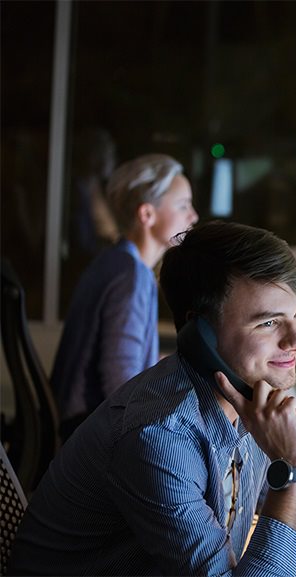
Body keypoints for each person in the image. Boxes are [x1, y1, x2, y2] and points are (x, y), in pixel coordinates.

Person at [9, 221, 296, 577]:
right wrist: (291, 465)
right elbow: (294, 493)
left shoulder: (258, 398)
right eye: (268, 323)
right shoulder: (158, 437)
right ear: (200, 335)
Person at [51, 153, 199, 440]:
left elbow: (126, 358)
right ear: (147, 215)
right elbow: (120, 384)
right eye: (183, 206)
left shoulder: (116, 261)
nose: (193, 216)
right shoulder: (130, 277)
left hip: (82, 425)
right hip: (89, 436)